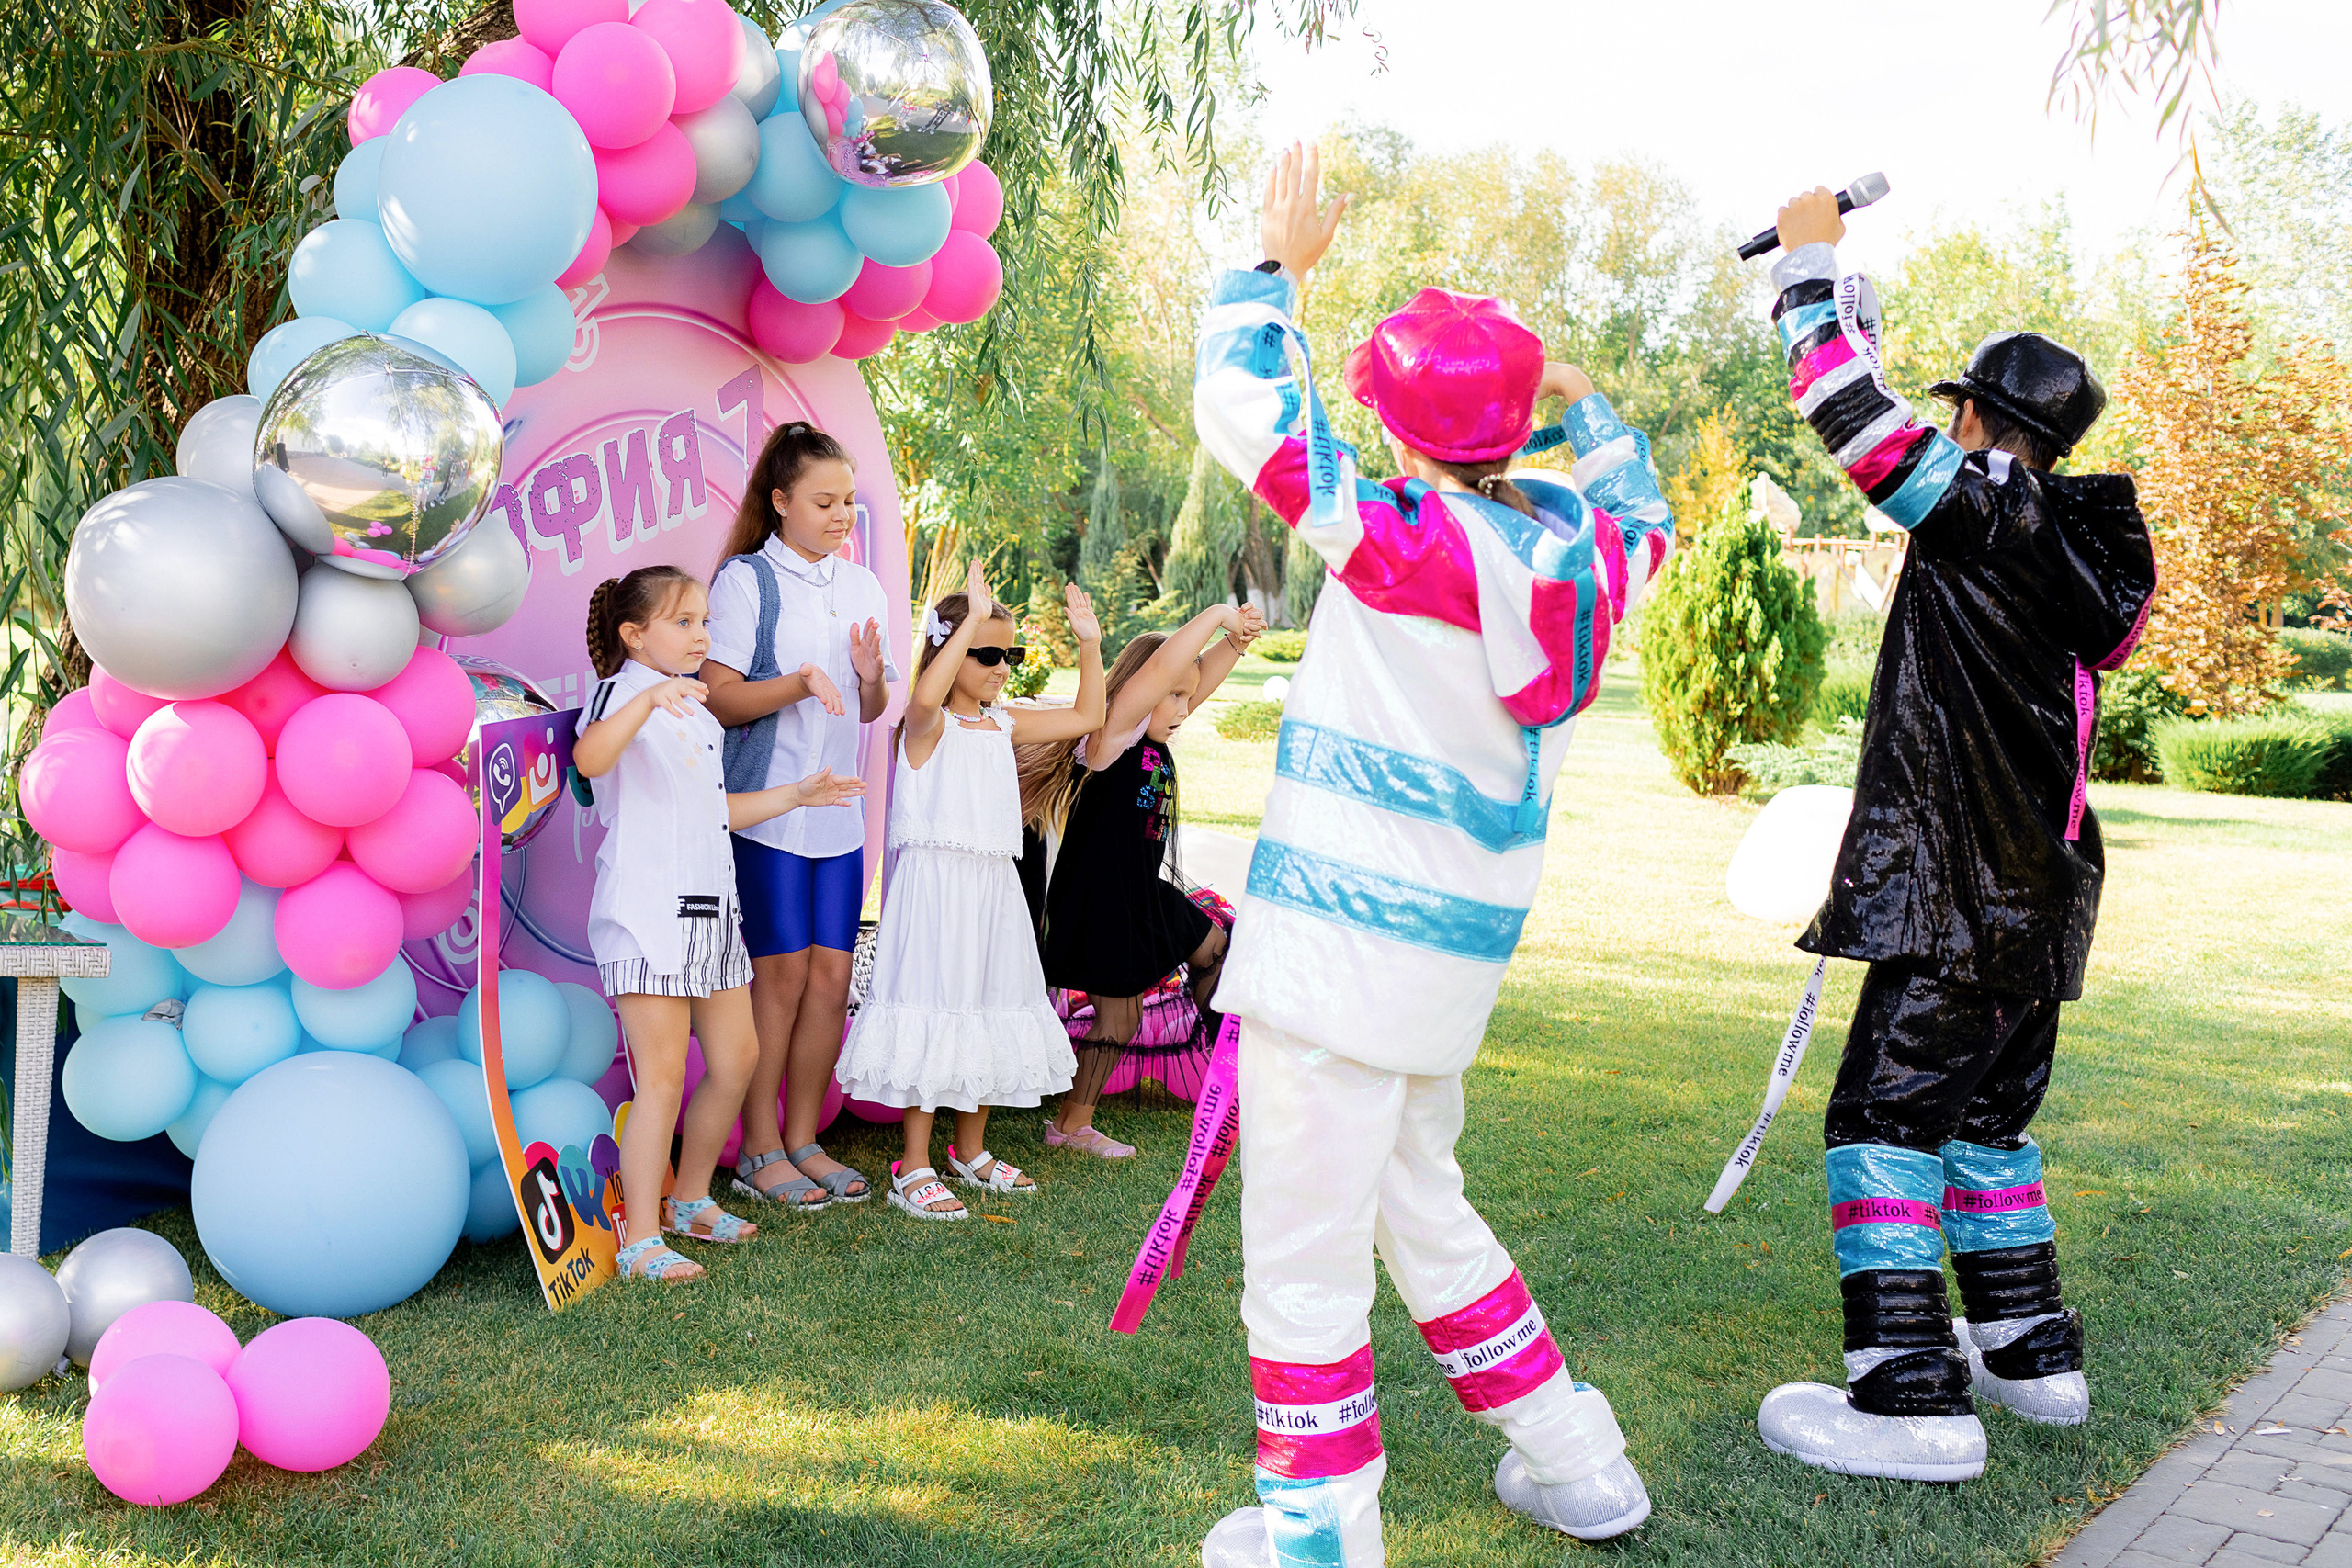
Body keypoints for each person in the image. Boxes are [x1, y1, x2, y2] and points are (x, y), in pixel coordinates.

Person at [1187, 144, 1676, 1564]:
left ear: (1399, 431)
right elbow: (1643, 512)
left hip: (1335, 965)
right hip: (1446, 970)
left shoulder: (1396, 535)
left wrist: (1271, 273)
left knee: (1302, 1259)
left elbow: (1248, 411)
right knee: (1421, 1211)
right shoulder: (1592, 556)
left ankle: (1319, 1534)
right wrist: (1583, 403)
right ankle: (1580, 1461)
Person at [1750, 188, 2159, 1480]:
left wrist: (1807, 265)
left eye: (1956, 418)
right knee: (1985, 1127)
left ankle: (1909, 1397)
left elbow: (1849, 417)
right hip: (2036, 903)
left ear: (1979, 424)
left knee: (1880, 1120)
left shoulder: (1987, 511)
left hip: (1963, 900)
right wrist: (1845, 294)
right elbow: (1882, 419)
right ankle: (2034, 1359)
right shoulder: (2061, 535)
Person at [573, 565, 866, 1282]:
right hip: (647, 917)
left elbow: (716, 812)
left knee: (737, 1059)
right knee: (663, 1079)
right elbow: (589, 757)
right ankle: (642, 1238)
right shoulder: (619, 694)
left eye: (704, 620)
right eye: (684, 622)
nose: (702, 634)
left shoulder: (697, 710)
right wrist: (649, 699)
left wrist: (798, 793)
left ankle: (691, 1200)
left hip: (711, 912)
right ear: (634, 634)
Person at [836, 562, 1109, 1219]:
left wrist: (1090, 644)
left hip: (992, 889)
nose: (1001, 667)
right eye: (987, 653)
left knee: (985, 1004)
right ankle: (914, 1162)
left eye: (1010, 655)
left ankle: (972, 1150)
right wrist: (969, 622)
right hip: (936, 893)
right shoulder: (926, 726)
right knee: (935, 1003)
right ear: (950, 650)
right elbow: (924, 699)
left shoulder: (1004, 724)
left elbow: (1089, 714)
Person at [701, 422, 899, 1212]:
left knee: (831, 976)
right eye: (824, 501)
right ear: (781, 501)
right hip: (769, 813)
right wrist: (800, 681)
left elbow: (873, 708)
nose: (841, 514)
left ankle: (804, 1139)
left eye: (848, 500)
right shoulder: (745, 581)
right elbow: (718, 697)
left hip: (838, 815)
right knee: (778, 976)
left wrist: (868, 679)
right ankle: (758, 1148)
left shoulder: (863, 586)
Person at [1016, 600, 1261, 1159]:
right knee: (1119, 1018)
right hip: (1101, 899)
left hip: (1142, 892)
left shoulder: (1153, 735)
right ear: (1144, 690)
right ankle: (1071, 1124)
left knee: (1214, 947)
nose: (1184, 708)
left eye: (1187, 698)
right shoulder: (1111, 736)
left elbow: (1188, 678)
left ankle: (1231, 1081)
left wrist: (1238, 642)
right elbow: (1163, 672)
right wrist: (1217, 614)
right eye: (1173, 696)